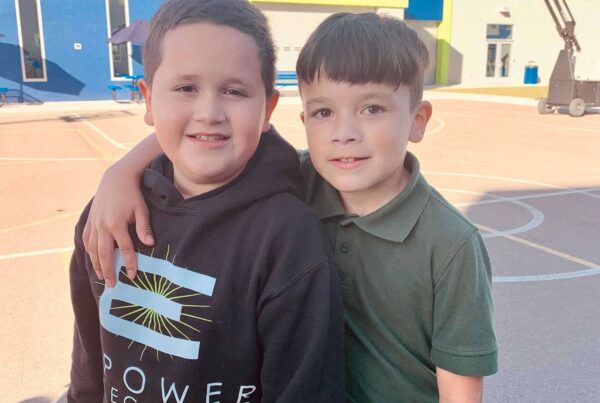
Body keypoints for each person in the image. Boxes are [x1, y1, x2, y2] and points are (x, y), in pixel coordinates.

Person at [83, 11, 498, 402]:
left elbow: (460, 386)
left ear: (418, 120)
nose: (344, 133)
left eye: (372, 108)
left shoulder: (451, 246)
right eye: (323, 112)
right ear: (303, 121)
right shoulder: (297, 176)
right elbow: (203, 133)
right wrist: (121, 172)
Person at [68, 0, 345, 401]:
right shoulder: (108, 215)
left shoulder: (288, 241)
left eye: (234, 91)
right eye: (185, 88)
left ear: (267, 108)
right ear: (148, 99)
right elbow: (88, 367)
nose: (209, 112)